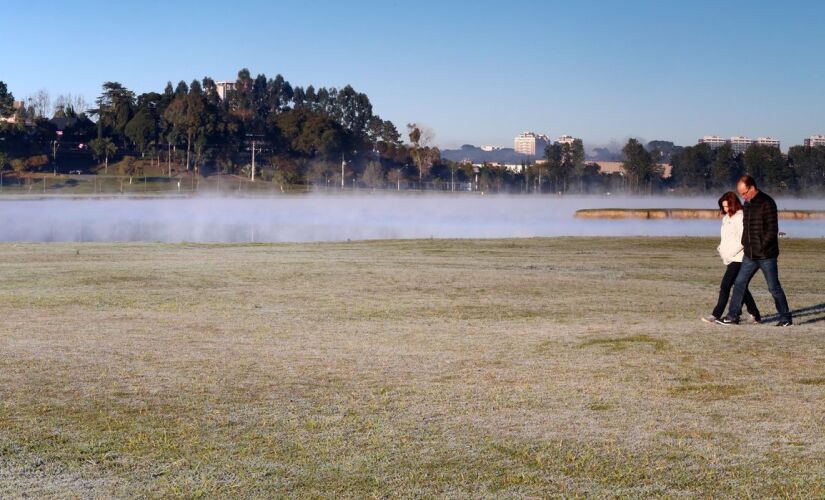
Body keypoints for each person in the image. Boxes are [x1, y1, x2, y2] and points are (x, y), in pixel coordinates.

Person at [718, 176, 792, 327]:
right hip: (750, 255)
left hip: (766, 255)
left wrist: (761, 246)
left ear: (752, 188)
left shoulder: (767, 202)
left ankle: (785, 318)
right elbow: (746, 228)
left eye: (744, 193)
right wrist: (746, 243)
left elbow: (772, 230)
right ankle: (733, 316)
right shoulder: (747, 203)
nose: (743, 196)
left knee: (773, 287)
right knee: (739, 283)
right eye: (741, 194)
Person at [701, 192, 761, 324]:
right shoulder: (726, 218)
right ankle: (755, 314)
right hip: (730, 258)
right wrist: (721, 249)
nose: (725, 209)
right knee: (740, 286)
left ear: (734, 204)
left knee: (726, 285)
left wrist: (731, 253)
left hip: (739, 258)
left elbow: (743, 239)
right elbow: (726, 238)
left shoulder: (740, 217)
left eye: (727, 206)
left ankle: (716, 314)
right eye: (723, 207)